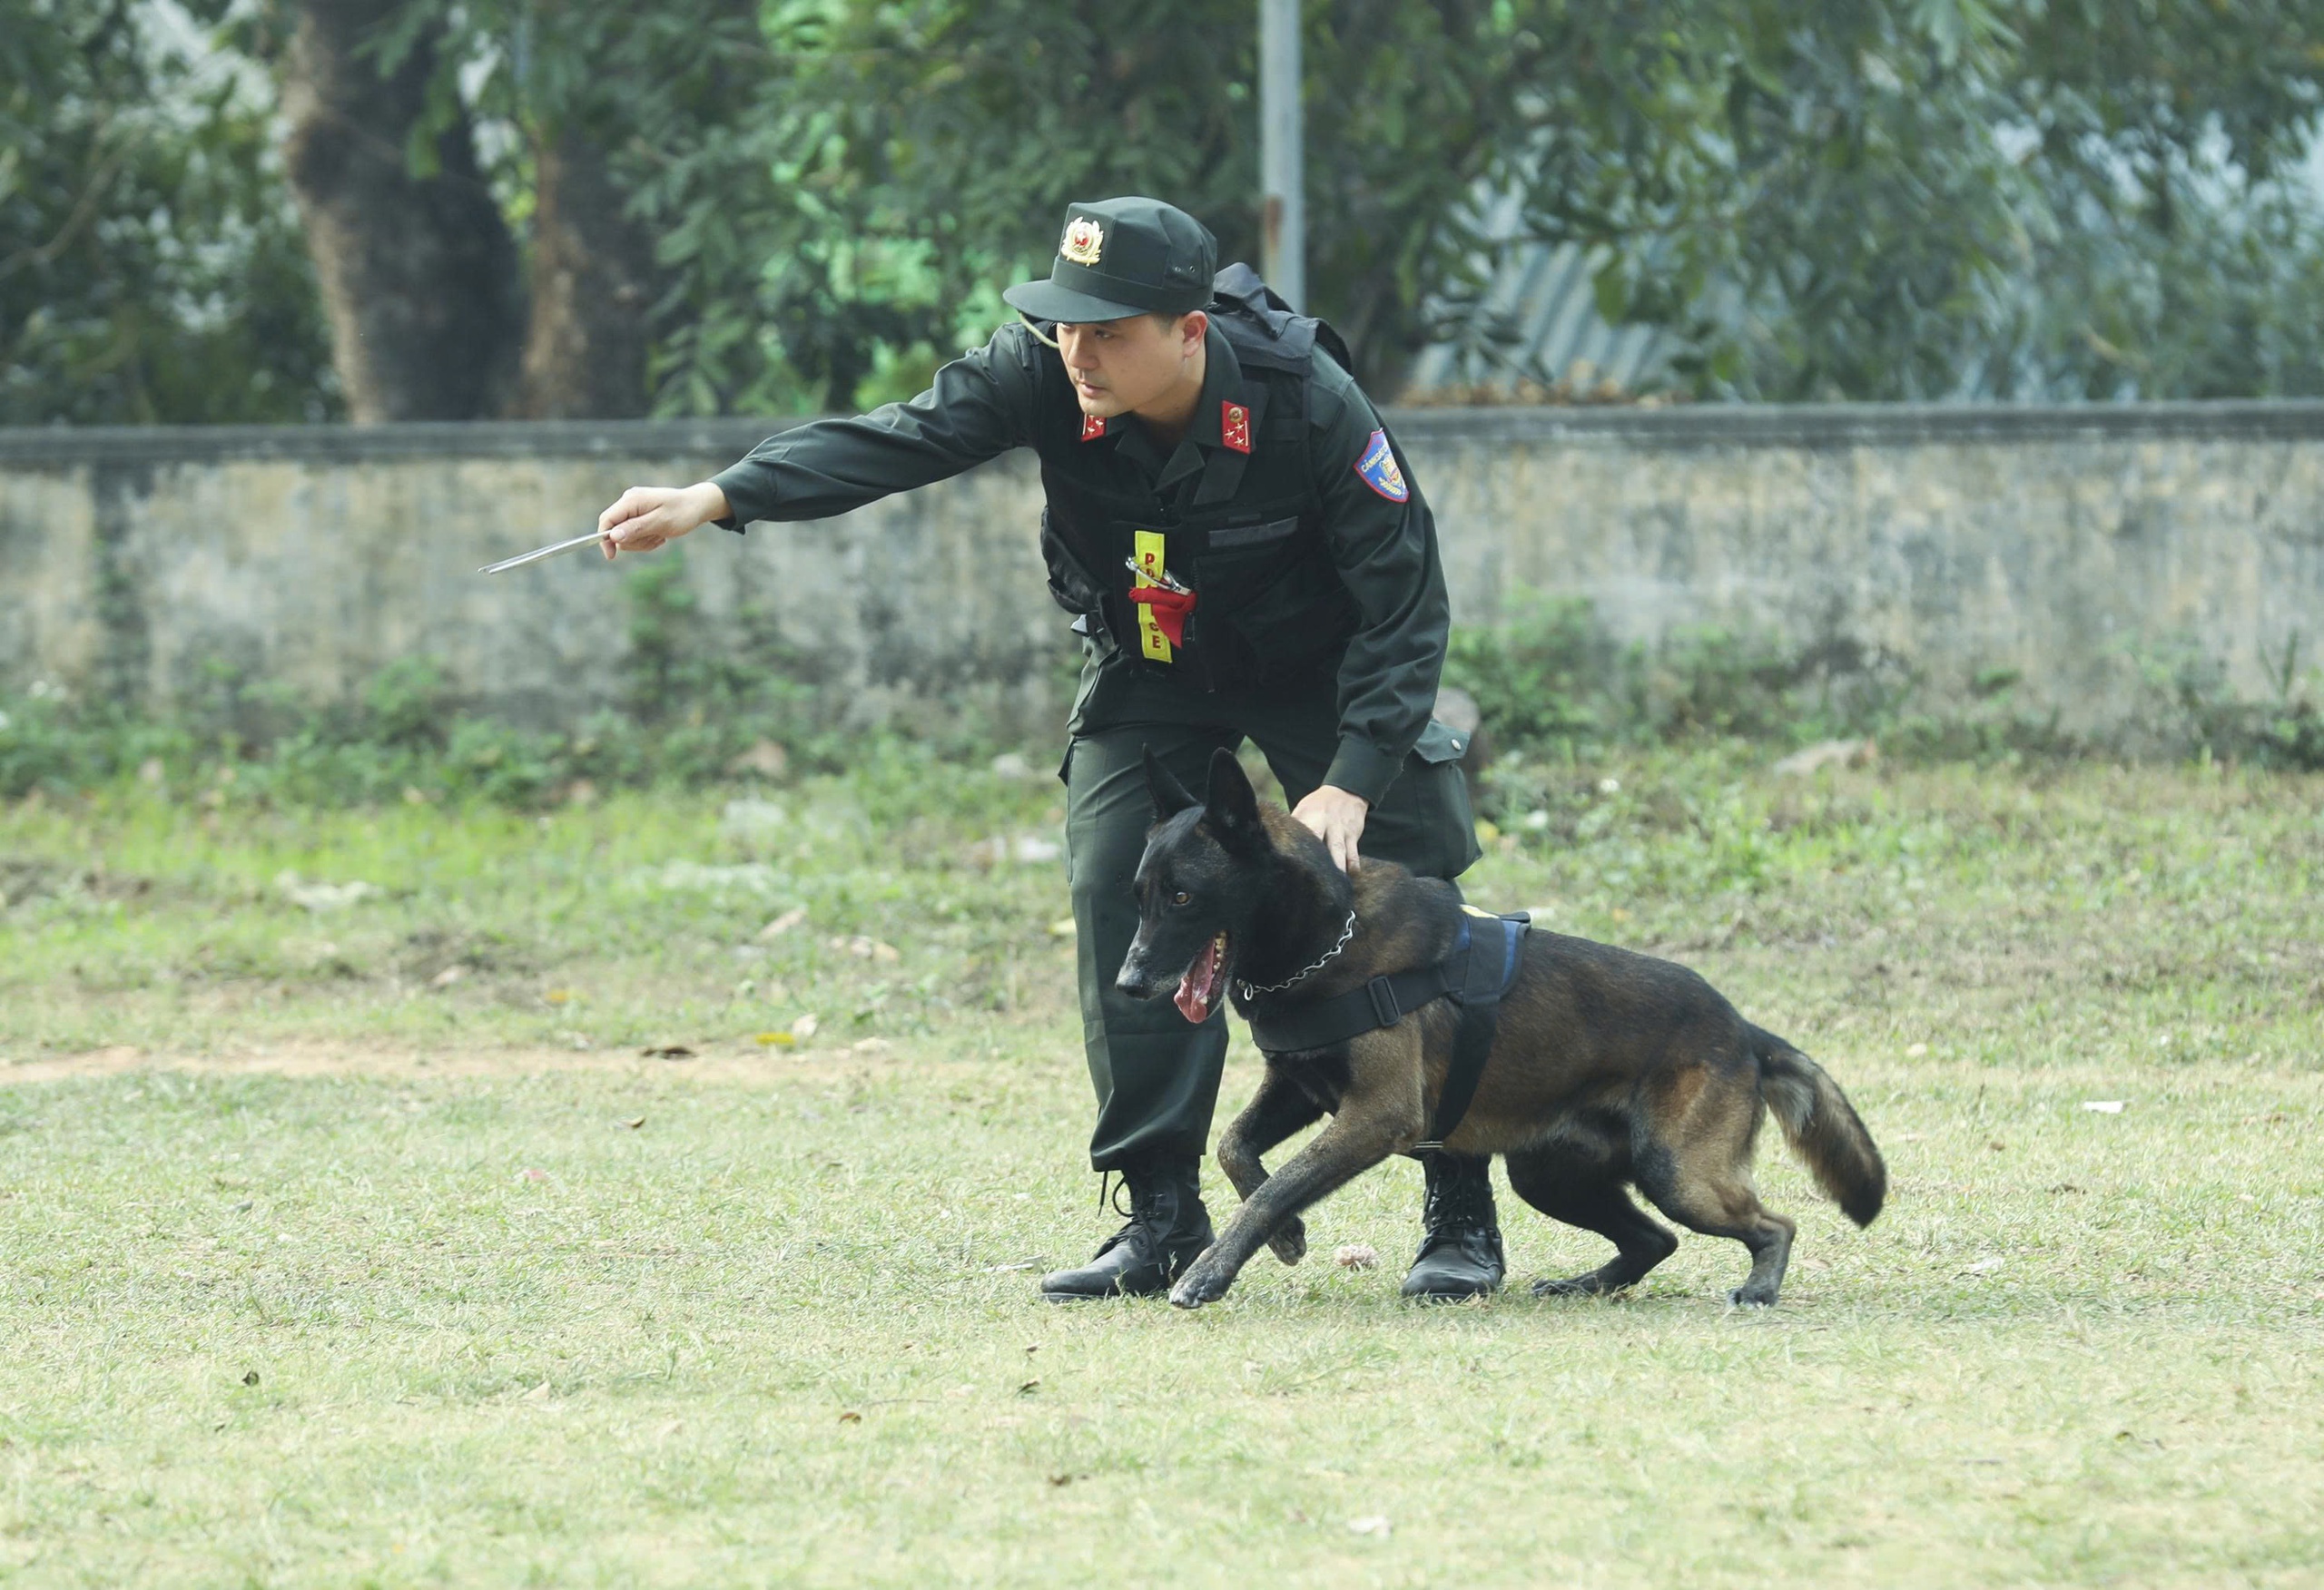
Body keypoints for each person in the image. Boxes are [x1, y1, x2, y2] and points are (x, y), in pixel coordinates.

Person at [592, 196, 1502, 1301]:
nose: (1079, 350)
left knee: (1412, 863)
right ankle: (1161, 1212)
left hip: (1320, 667)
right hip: (1154, 658)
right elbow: (897, 439)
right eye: (1066, 323)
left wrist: (1352, 781)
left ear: (1189, 330)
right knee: (1126, 885)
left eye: (1110, 330)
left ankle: (1459, 1203)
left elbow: (1406, 603)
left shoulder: (1306, 402)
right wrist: (715, 497)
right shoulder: (1039, 372)